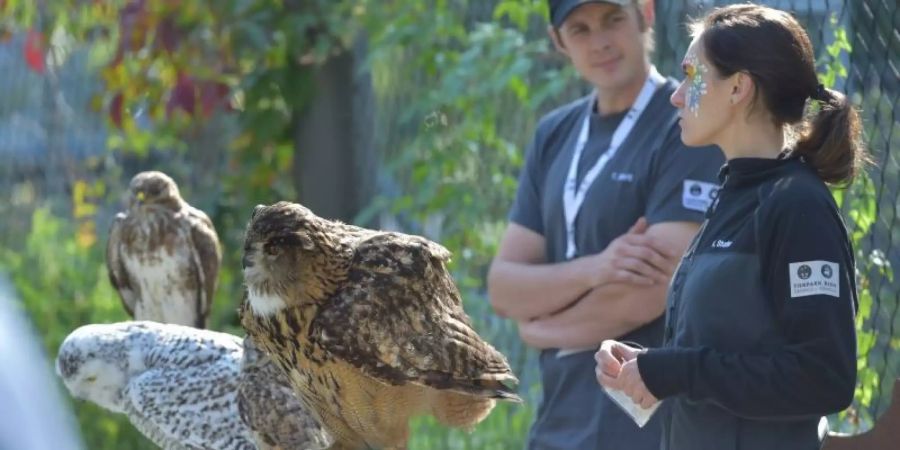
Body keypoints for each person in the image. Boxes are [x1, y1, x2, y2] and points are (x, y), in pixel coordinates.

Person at [596, 4, 863, 450]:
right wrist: (649, 368)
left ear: (739, 87)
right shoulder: (734, 196)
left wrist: (677, 372)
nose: (676, 95)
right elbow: (728, 352)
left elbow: (824, 376)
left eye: (692, 76)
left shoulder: (797, 206)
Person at [486, 0, 724, 448]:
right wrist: (599, 267)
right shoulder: (554, 133)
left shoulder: (687, 127)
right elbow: (503, 286)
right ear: (559, 42)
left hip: (650, 427)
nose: (600, 42)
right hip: (559, 420)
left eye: (613, 19)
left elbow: (653, 291)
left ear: (645, 15)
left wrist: (540, 328)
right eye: (580, 29)